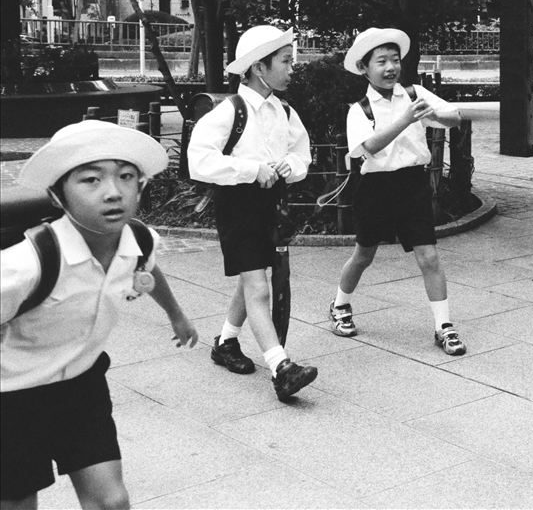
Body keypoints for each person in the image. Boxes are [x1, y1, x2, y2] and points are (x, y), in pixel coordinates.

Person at [1, 120, 199, 509]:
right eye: (91, 180)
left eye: (126, 176)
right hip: (12, 398)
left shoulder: (139, 238)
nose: (113, 192)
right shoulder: (26, 264)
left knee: (111, 502)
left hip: (81, 386)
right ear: (59, 197)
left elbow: (148, 268)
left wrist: (177, 315)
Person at [188, 25, 318, 401]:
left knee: (253, 276)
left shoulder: (284, 110)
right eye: (286, 61)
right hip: (238, 206)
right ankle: (281, 367)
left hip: (271, 205)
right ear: (260, 68)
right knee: (259, 285)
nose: (293, 69)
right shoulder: (229, 111)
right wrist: (251, 169)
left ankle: (226, 342)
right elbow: (199, 161)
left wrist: (286, 168)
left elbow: (302, 153)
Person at [329, 27, 467, 356]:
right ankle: (339, 305)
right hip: (375, 187)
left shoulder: (414, 92)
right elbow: (370, 147)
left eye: (395, 59)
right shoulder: (359, 110)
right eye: (381, 61)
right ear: (364, 68)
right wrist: (407, 119)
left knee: (429, 257)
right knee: (364, 255)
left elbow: (455, 118)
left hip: (413, 185)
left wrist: (435, 115)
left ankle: (443, 326)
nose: (391, 67)